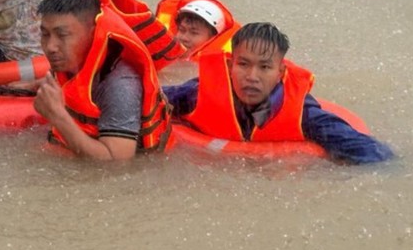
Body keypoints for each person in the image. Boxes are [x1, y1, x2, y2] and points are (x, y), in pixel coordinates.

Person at [163, 22, 394, 164]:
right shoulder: (198, 92)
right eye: (243, 64)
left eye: (264, 67)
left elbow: (368, 152)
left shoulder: (302, 113)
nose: (252, 76)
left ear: (280, 71)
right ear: (230, 64)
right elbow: (151, 97)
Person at [32, 0, 172, 160]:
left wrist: (57, 116)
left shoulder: (120, 84)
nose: (51, 46)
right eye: (45, 34)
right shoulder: (68, 60)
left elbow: (116, 163)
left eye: (62, 35)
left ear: (94, 33)